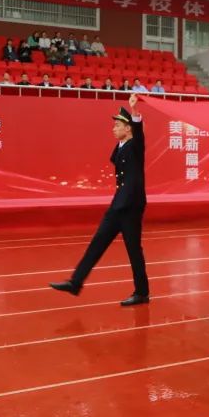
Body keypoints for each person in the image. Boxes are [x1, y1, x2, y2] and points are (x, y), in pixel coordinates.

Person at [50, 95, 150, 306]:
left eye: (117, 125)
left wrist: (134, 113)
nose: (113, 129)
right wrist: (122, 136)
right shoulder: (123, 146)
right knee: (97, 242)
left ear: (129, 128)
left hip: (131, 206)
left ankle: (141, 293)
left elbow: (139, 133)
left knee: (133, 250)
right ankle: (76, 282)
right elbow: (115, 158)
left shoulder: (136, 146)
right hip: (118, 205)